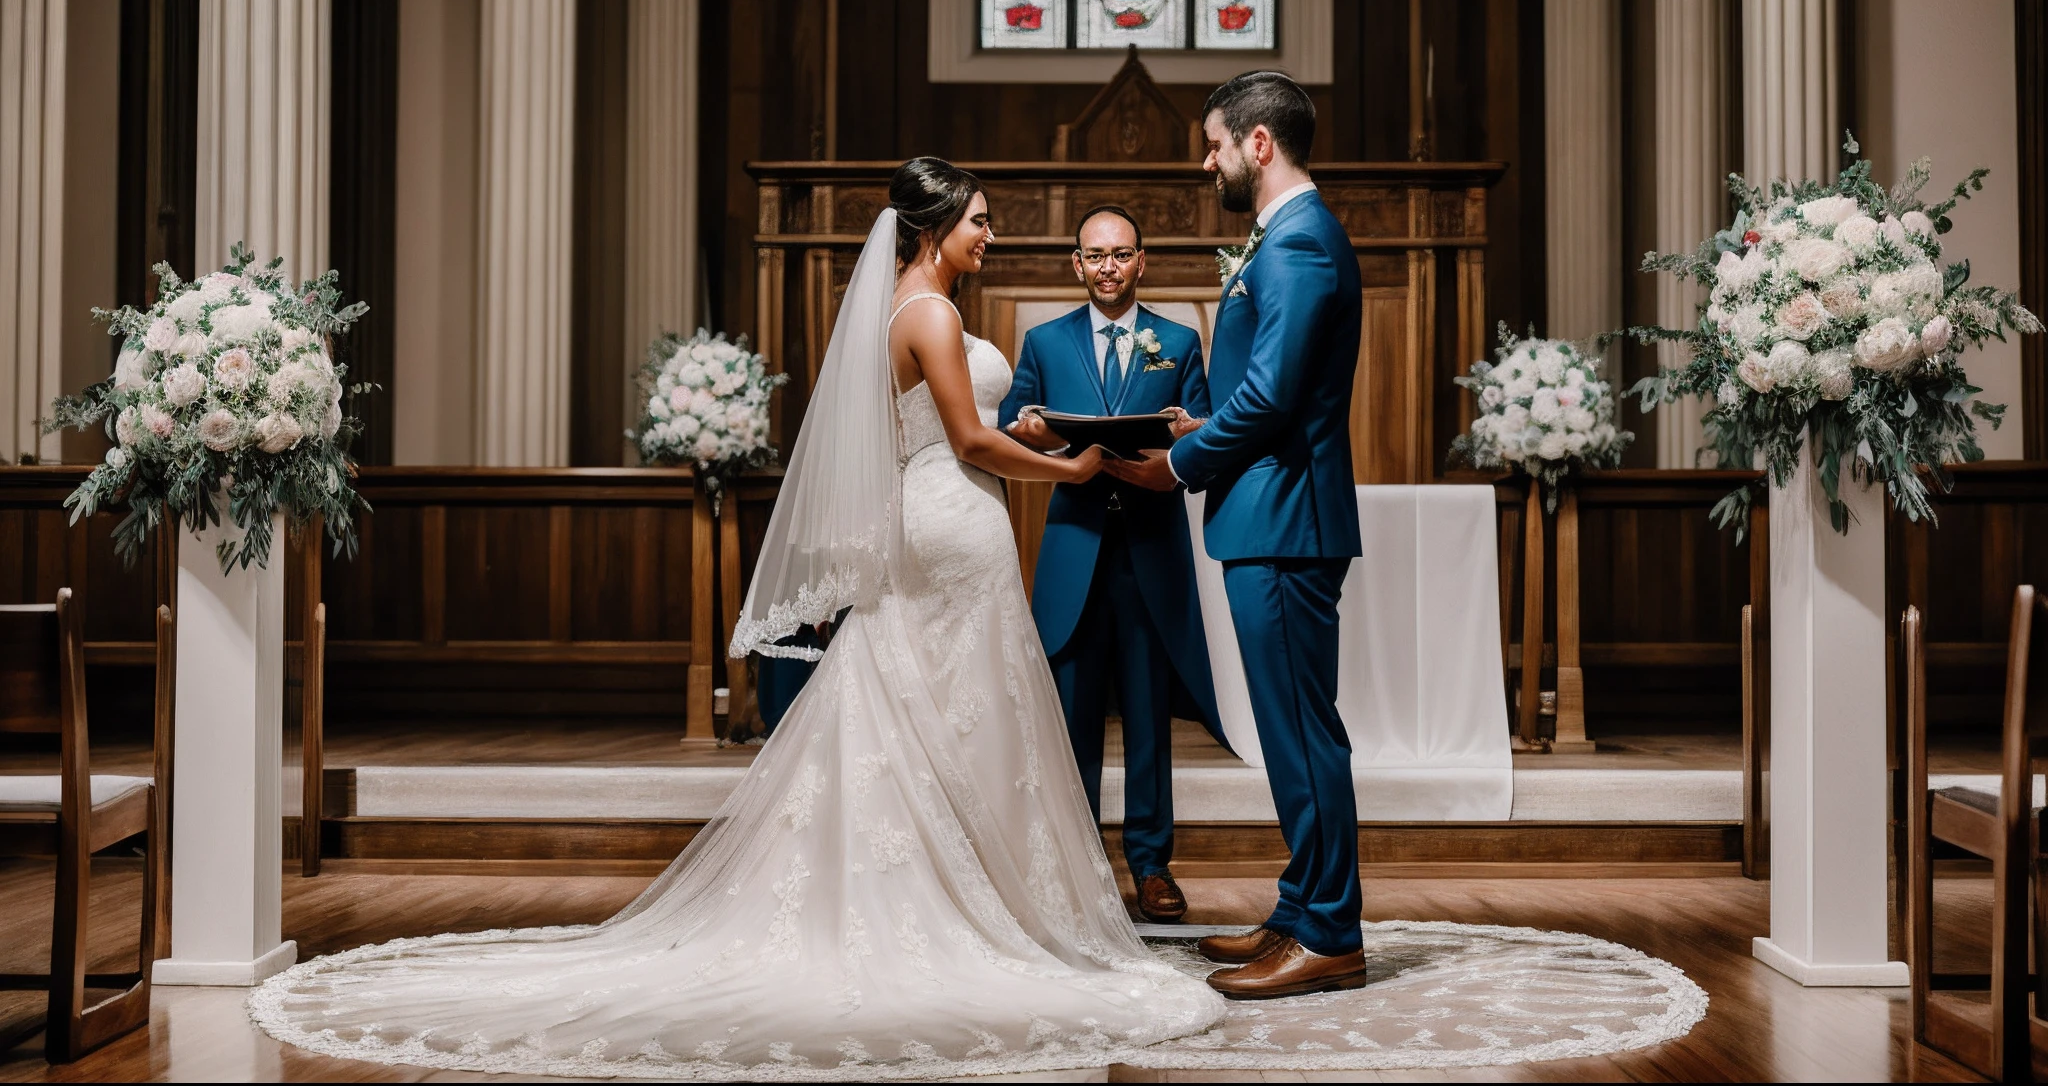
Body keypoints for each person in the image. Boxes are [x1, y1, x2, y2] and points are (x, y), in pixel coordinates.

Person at [250, 158, 1223, 1079]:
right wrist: (1069, 468)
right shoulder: (925, 310)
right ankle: (964, 900)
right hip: (950, 518)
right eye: (977, 221)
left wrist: (1039, 448)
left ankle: (955, 883)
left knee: (936, 710)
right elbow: (967, 436)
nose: (990, 234)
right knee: (959, 707)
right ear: (933, 228)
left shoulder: (913, 306)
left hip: (941, 517)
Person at [1106, 72, 1367, 1000]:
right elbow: (1264, 389)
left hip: (1286, 519)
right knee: (1290, 730)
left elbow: (1272, 397)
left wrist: (1176, 467)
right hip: (1272, 513)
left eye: (1215, 143)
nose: (1207, 160)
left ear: (1259, 143)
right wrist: (1196, 434)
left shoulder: (1299, 244)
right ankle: (1302, 907)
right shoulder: (1289, 238)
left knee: (1302, 735)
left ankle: (1332, 934)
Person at [999, 204, 1219, 926]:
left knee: (1150, 718)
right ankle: (1077, 865)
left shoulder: (1180, 339)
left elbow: (1205, 431)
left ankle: (1152, 866)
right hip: (1075, 548)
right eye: (1095, 255)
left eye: (1121, 254)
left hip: (1150, 550)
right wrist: (1030, 433)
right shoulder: (1044, 340)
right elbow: (1018, 432)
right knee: (1072, 717)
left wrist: (1189, 437)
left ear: (1141, 261)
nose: (1108, 267)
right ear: (1077, 264)